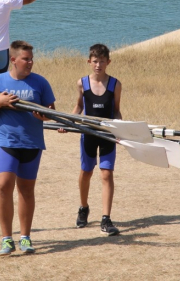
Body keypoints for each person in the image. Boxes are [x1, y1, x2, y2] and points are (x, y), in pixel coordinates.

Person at [0, 40, 56, 256]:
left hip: (32, 143)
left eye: (31, 58)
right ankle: (6, 239)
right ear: (13, 60)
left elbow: (51, 111)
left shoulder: (40, 83)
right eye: (26, 59)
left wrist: (45, 115)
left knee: (26, 190)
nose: (30, 62)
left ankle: (25, 237)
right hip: (6, 142)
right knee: (3, 185)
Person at [72, 44, 123, 236]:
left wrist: (120, 127)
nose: (98, 65)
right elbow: (78, 107)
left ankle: (106, 219)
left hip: (107, 135)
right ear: (89, 62)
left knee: (106, 174)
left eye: (102, 61)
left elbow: (116, 110)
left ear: (108, 62)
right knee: (86, 173)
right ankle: (83, 207)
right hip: (88, 134)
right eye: (95, 61)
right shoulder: (82, 83)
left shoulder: (115, 84)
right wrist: (67, 122)